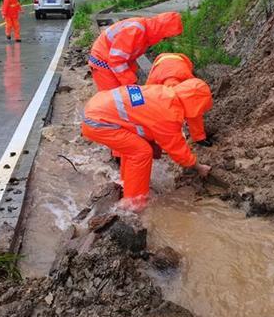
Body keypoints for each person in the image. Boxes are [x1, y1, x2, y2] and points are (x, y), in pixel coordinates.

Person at [81, 78, 212, 210]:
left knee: (133, 148)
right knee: (141, 152)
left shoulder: (163, 92)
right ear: (194, 105)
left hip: (96, 109)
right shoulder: (169, 114)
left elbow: (143, 122)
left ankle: (126, 183)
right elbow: (177, 148)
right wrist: (198, 166)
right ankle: (133, 203)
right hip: (99, 122)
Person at [88, 12, 183, 91]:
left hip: (112, 61)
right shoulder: (136, 31)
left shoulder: (147, 31)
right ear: (163, 31)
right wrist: (131, 82)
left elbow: (128, 56)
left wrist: (134, 79)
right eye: (166, 37)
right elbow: (116, 61)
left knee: (127, 96)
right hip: (103, 64)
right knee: (115, 99)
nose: (164, 40)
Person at [146, 52, 212, 146]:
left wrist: (199, 137)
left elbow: (194, 111)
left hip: (181, 63)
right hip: (167, 63)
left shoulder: (188, 82)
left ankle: (198, 136)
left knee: (192, 106)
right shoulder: (152, 86)